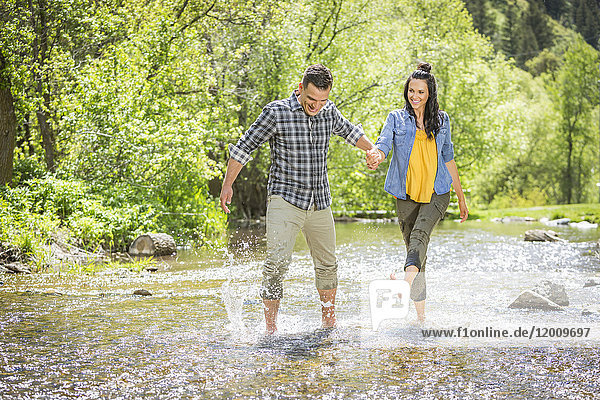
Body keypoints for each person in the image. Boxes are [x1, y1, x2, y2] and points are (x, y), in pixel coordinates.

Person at [220, 64, 378, 334]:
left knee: (328, 264)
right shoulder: (277, 112)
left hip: (319, 201)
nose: (316, 105)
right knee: (277, 264)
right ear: (301, 88)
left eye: (323, 100)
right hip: (285, 199)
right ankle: (271, 329)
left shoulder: (329, 112)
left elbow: (352, 133)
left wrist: (372, 149)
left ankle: (329, 321)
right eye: (311, 99)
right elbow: (245, 146)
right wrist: (228, 185)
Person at [366, 62, 468, 323]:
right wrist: (376, 154)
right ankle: (421, 319)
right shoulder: (396, 118)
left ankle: (401, 283)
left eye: (420, 92)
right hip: (406, 194)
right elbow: (383, 143)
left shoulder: (442, 120)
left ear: (429, 94)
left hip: (437, 192)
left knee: (420, 237)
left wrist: (460, 196)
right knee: (416, 251)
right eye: (411, 91)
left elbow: (449, 159)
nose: (415, 97)